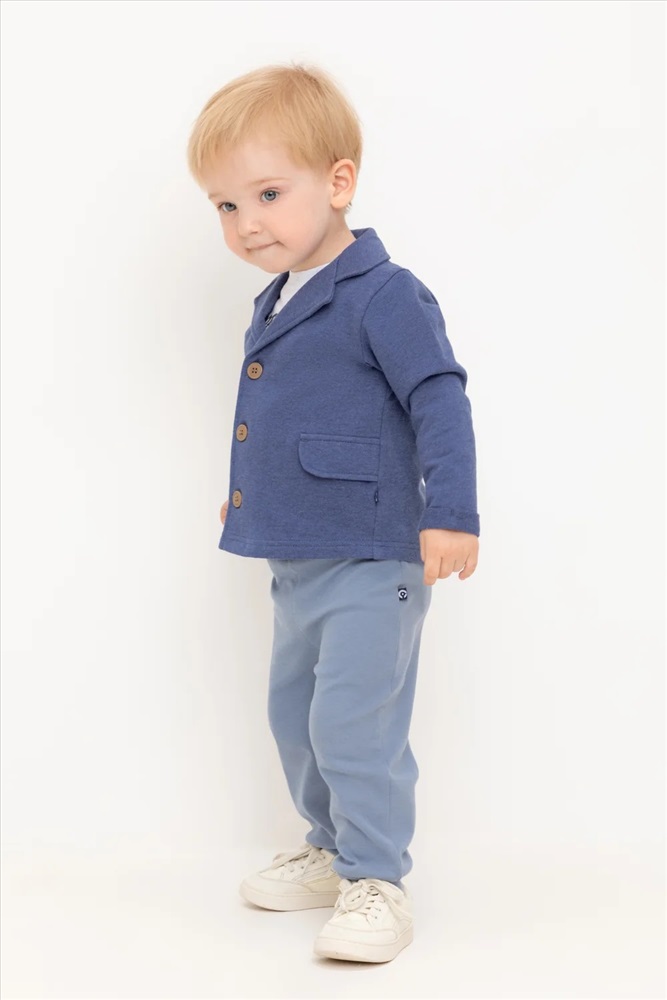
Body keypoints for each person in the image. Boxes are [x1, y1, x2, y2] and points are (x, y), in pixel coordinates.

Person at [186, 61, 480, 964]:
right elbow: (289, 412)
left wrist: (450, 511)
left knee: (355, 722)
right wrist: (255, 493)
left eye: (268, 194)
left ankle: (377, 876)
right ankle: (330, 850)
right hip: (298, 558)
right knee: (295, 718)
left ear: (338, 181)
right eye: (226, 205)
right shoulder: (277, 296)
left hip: (371, 557)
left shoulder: (386, 294)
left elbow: (437, 397)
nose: (246, 224)